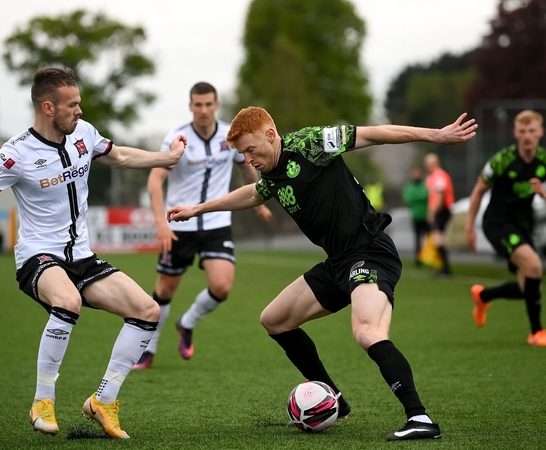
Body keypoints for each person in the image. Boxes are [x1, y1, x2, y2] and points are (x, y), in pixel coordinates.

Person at [0, 67, 187, 439]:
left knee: (147, 311)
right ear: (48, 107)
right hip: (38, 257)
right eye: (72, 104)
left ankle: (103, 401)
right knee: (68, 301)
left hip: (82, 257)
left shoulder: (84, 133)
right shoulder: (14, 154)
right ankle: (42, 401)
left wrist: (167, 158)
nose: (79, 111)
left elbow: (122, 156)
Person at [167, 106, 477, 441]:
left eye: (251, 149)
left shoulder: (310, 144)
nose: (248, 159)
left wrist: (435, 135)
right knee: (274, 319)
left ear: (270, 135)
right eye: (242, 153)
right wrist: (199, 209)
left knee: (366, 331)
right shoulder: (271, 172)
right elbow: (255, 193)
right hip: (339, 262)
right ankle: (335, 400)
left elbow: (373, 134)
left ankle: (420, 419)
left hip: (370, 252)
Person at [134, 82, 272, 370]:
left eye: (209, 104)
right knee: (165, 290)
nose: (204, 110)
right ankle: (148, 349)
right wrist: (161, 223)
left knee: (221, 286)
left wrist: (258, 200)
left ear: (217, 104)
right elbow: (155, 181)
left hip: (216, 222)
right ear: (190, 106)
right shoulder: (177, 138)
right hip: (179, 225)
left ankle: (187, 322)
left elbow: (246, 164)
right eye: (198, 104)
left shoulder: (228, 135)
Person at [465, 110, 546, 347]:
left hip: (524, 225)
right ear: (515, 133)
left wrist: (545, 194)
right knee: (534, 265)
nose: (527, 136)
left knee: (529, 287)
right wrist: (469, 227)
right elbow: (478, 191)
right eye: (522, 131)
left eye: (532, 131)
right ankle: (536, 333)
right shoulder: (502, 159)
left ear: (541, 132)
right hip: (497, 223)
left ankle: (483, 296)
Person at [423, 153, 454, 276]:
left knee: (438, 239)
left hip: (442, 210)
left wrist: (433, 213)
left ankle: (445, 269)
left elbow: (439, 197)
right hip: (441, 210)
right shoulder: (433, 176)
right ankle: (443, 267)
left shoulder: (439, 176)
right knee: (437, 239)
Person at [402, 166, 428, 267]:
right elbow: (408, 198)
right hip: (416, 216)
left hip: (425, 215)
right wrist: (420, 196)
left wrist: (417, 196)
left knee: (426, 238)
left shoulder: (424, 184)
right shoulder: (410, 186)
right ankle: (418, 259)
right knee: (417, 238)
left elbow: (426, 195)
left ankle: (427, 257)